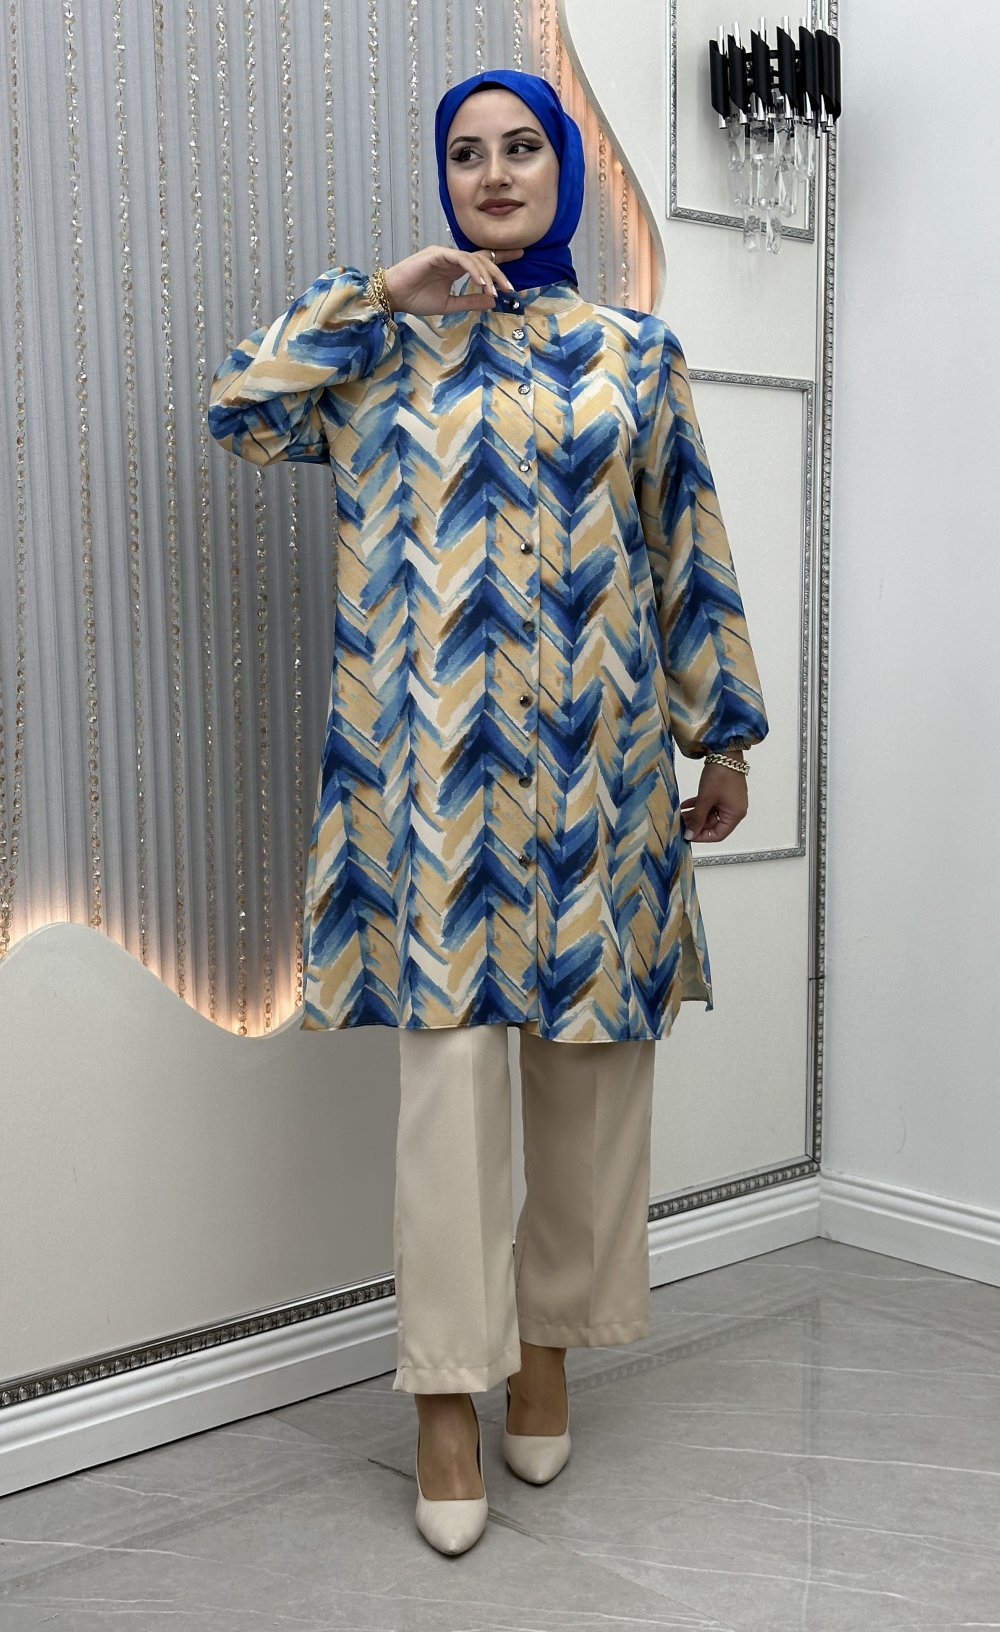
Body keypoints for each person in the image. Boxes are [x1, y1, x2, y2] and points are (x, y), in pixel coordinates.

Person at [208, 67, 767, 1557]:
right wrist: (377, 292)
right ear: (444, 180)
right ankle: (444, 1399)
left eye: (524, 148)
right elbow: (239, 410)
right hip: (433, 785)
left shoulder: (635, 355)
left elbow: (685, 546)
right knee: (450, 1094)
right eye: (467, 154)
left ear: (561, 170)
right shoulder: (380, 355)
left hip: (598, 776)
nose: (496, 173)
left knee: (591, 1082)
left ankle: (546, 1350)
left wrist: (721, 732)